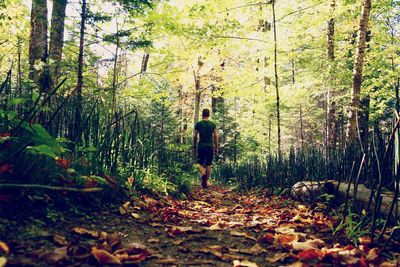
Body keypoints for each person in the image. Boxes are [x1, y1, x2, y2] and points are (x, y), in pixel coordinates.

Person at [193, 108, 218, 188]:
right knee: (208, 164)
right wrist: (216, 147)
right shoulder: (212, 124)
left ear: (202, 114)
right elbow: (216, 136)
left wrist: (194, 145)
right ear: (209, 115)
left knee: (200, 163)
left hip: (201, 146)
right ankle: (205, 182)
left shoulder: (198, 124)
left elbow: (195, 136)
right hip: (210, 146)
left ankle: (203, 174)